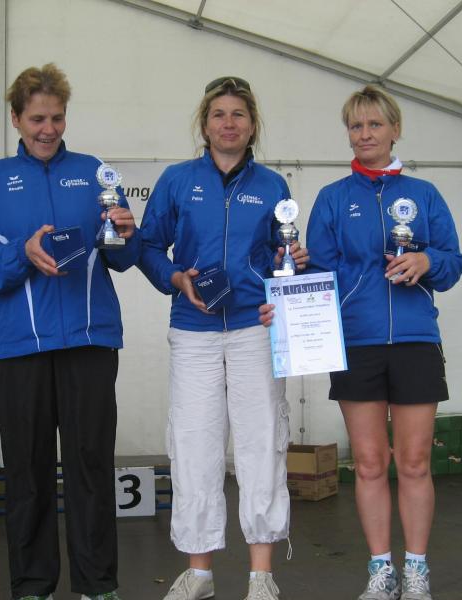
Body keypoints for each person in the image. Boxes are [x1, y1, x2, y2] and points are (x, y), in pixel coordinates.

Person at [263, 84, 462, 600]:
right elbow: (319, 274)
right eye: (356, 125)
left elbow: (453, 262)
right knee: (371, 464)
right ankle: (380, 570)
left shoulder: (424, 194)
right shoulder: (333, 198)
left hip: (417, 340)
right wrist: (292, 279)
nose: (365, 134)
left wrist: (427, 261)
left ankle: (416, 570)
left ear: (395, 129)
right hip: (356, 343)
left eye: (375, 124)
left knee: (414, 462)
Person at [0, 63, 139, 600]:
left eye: (57, 118)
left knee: (90, 466)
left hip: (90, 340)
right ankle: (33, 585)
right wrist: (23, 252)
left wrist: (127, 232)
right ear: (15, 118)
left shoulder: (95, 172)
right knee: (27, 472)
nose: (48, 129)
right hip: (21, 346)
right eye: (37, 119)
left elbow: (123, 257)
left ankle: (97, 585)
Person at [139, 76, 307, 600]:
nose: (228, 123)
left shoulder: (273, 186)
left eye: (238, 114)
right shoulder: (176, 180)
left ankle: (261, 576)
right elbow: (146, 247)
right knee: (194, 447)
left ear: (253, 125)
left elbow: (282, 257)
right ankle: (200, 573)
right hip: (194, 332)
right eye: (219, 114)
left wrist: (293, 264)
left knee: (262, 444)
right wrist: (175, 277)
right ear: (204, 124)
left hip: (255, 329)